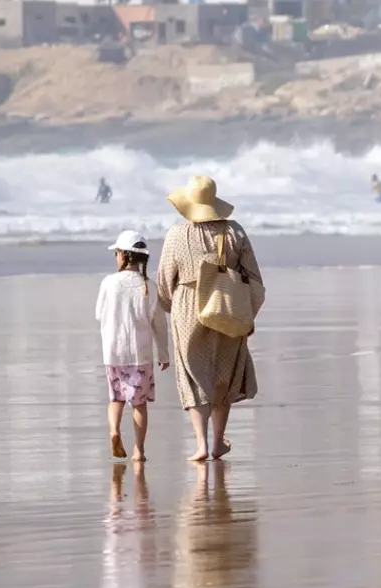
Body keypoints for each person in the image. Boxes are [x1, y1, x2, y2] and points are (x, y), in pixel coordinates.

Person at [157, 175, 266, 465]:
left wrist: (173, 306)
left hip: (187, 306)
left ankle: (201, 444)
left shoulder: (176, 234)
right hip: (227, 305)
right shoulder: (234, 231)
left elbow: (165, 281)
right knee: (222, 375)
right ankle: (218, 442)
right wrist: (247, 314)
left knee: (193, 376)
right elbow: (255, 280)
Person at [96, 230, 170, 464]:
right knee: (139, 404)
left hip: (113, 352)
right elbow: (159, 323)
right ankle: (139, 451)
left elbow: (99, 314)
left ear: (122, 255)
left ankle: (114, 431)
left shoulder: (109, 283)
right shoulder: (149, 286)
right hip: (140, 353)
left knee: (116, 399)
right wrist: (164, 352)